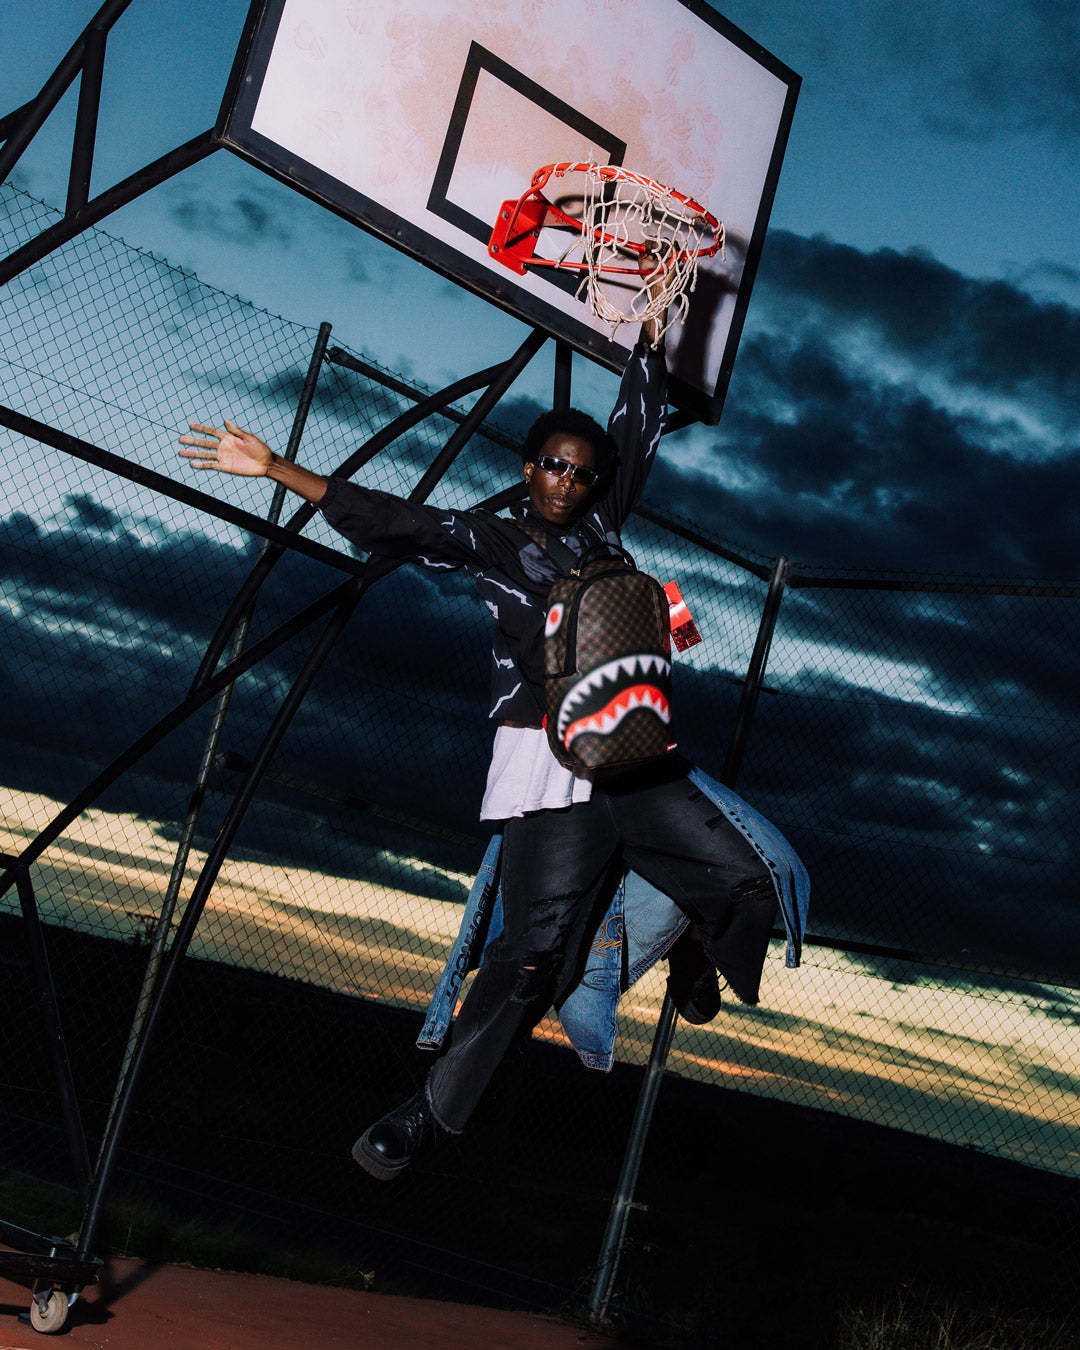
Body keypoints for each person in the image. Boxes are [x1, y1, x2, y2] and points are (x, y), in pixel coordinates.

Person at [179, 292, 786, 1181]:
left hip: (633, 757)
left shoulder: (604, 524)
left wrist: (652, 340)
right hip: (550, 767)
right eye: (553, 466)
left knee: (748, 875)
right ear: (529, 468)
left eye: (582, 473)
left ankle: (695, 946)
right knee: (531, 957)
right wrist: (279, 469)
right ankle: (426, 1115)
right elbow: (395, 521)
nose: (567, 483)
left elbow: (636, 424)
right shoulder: (493, 542)